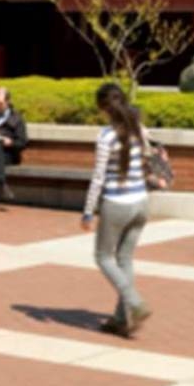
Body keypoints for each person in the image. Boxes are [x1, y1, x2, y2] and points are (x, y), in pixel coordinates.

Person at [81, 83, 152, 338]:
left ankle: (134, 302)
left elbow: (98, 177)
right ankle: (122, 319)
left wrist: (88, 211)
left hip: (117, 203)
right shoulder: (140, 129)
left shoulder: (106, 136)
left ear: (103, 107)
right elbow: (147, 159)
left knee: (103, 257)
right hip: (142, 202)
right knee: (125, 259)